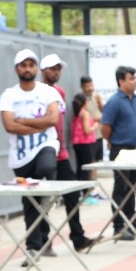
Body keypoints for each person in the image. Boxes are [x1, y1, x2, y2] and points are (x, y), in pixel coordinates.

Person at [0, 49, 63, 257]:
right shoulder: (9, 95)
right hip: (20, 155)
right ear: (17, 68)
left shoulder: (47, 92)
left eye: (31, 65)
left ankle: (44, 238)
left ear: (37, 68)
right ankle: (36, 245)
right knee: (29, 202)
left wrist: (23, 121)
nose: (28, 69)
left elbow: (53, 120)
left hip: (45, 146)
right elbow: (9, 126)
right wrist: (39, 125)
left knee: (46, 170)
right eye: (23, 65)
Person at [40, 53, 93, 251]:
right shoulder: (36, 92)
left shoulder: (60, 92)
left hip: (61, 152)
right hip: (42, 152)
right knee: (43, 199)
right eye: (52, 68)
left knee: (72, 193)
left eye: (58, 69)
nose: (56, 72)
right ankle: (43, 242)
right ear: (43, 70)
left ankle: (77, 237)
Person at [101, 65, 136, 241]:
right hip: (120, 150)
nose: (135, 81)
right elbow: (105, 128)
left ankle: (132, 222)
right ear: (121, 81)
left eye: (135, 78)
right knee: (120, 188)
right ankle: (118, 227)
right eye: (131, 78)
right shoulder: (114, 102)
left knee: (132, 188)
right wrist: (112, 143)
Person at [71, 92, 98, 192]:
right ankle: (85, 192)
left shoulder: (77, 113)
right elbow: (87, 130)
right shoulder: (85, 113)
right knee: (86, 169)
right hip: (86, 143)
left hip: (77, 143)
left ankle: (78, 192)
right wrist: (94, 126)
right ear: (85, 102)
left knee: (80, 167)